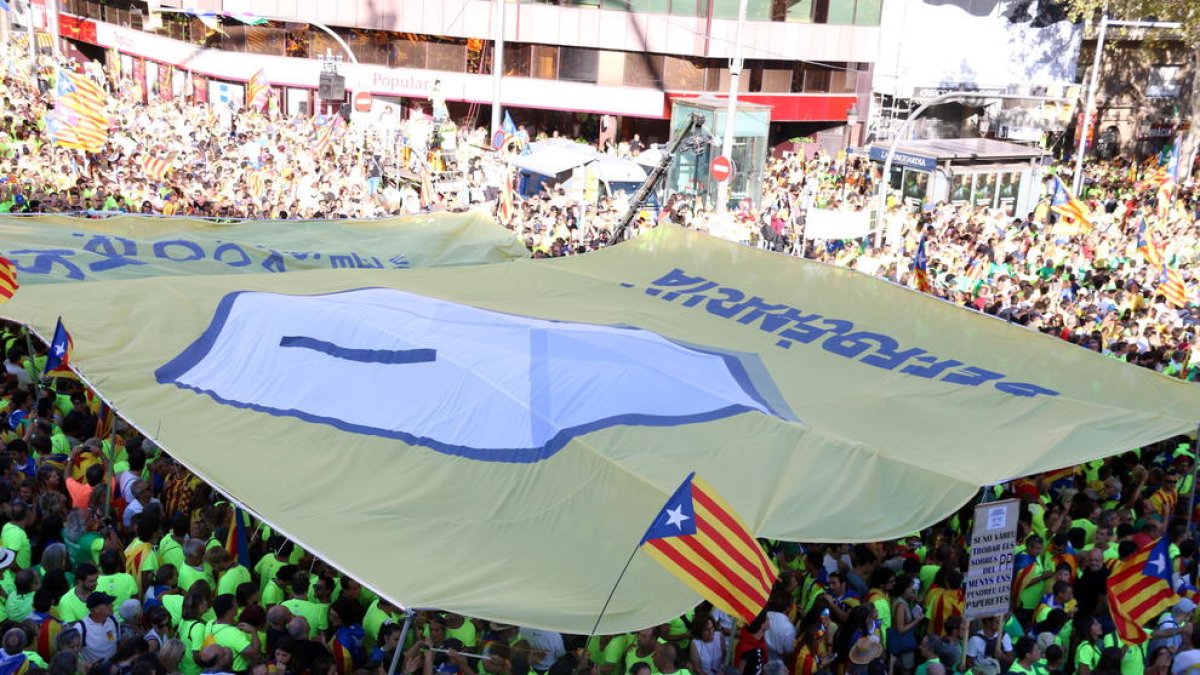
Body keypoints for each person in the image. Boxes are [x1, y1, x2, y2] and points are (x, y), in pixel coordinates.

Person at [75, 592, 120, 663]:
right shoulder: (80, 628)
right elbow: (74, 653)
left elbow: (117, 642)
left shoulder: (113, 619)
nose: (112, 605)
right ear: (96, 609)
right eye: (107, 604)